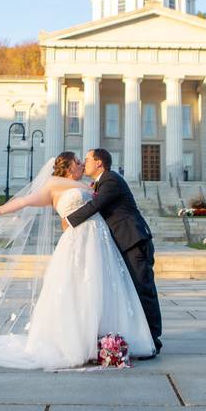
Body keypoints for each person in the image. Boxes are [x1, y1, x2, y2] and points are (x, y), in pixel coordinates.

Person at [0, 152, 155, 369]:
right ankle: (78, 343)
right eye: (78, 162)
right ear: (69, 167)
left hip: (100, 241)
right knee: (76, 289)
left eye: (84, 161)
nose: (82, 165)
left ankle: (101, 338)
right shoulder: (53, 185)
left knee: (103, 288)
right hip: (78, 241)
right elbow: (24, 201)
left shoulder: (94, 185)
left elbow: (100, 206)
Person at [64, 148, 163, 355]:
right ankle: (146, 337)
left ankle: (154, 340)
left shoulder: (111, 180)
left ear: (99, 162)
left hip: (134, 241)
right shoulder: (102, 182)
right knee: (136, 291)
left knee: (144, 290)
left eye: (88, 159)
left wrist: (68, 220)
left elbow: (96, 205)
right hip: (126, 242)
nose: (84, 162)